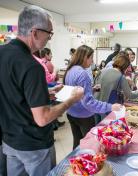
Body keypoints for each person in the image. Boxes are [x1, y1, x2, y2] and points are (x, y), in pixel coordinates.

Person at [0, 5, 84, 176]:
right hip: (34, 145)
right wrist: (71, 100)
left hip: (9, 140)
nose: (49, 39)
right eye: (49, 33)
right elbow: (43, 118)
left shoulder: (3, 53)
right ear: (35, 32)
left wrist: (46, 92)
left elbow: (14, 91)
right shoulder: (31, 65)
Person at [63, 45, 121, 150]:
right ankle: (87, 164)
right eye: (91, 58)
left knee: (77, 143)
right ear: (85, 57)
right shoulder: (82, 74)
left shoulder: (70, 70)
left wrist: (91, 89)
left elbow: (76, 92)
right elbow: (89, 103)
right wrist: (110, 107)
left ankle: (77, 163)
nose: (92, 61)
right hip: (83, 115)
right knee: (90, 145)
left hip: (72, 113)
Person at [95, 53, 138, 123]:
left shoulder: (102, 71)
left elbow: (96, 87)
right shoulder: (121, 77)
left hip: (96, 106)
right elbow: (130, 95)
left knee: (96, 129)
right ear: (125, 66)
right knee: (106, 130)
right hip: (107, 108)